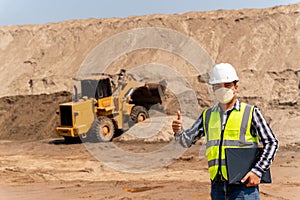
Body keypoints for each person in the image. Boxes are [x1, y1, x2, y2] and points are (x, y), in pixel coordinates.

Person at [172, 63, 278, 200]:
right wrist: (178, 132)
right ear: (213, 89)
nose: (223, 89)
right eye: (218, 86)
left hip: (243, 187)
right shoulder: (208, 115)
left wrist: (257, 171)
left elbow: (271, 142)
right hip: (218, 188)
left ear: (236, 87)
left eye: (227, 85)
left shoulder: (250, 112)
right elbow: (186, 141)